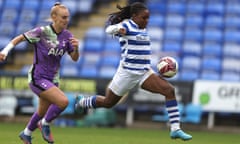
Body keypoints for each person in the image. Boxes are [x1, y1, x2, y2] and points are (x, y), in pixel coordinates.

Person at [75, 2, 192, 141]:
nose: (146, 21)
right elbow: (109, 29)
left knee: (169, 91)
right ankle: (82, 102)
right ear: (134, 16)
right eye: (144, 18)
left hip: (143, 72)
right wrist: (117, 29)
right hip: (126, 74)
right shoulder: (127, 25)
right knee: (108, 103)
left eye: (148, 18)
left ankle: (175, 129)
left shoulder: (142, 28)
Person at [0, 2, 79, 144]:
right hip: (38, 78)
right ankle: (45, 124)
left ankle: (26, 133)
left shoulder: (67, 35)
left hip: (53, 79)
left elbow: (74, 58)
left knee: (42, 111)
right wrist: (5, 51)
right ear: (54, 17)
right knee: (63, 101)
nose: (67, 20)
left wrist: (76, 48)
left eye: (68, 17)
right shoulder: (41, 32)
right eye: (63, 17)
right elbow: (19, 38)